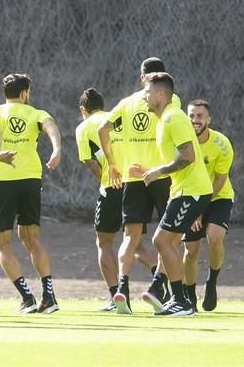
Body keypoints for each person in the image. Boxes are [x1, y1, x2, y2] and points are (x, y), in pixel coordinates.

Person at [98, 57, 178, 314]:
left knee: (130, 237)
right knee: (170, 237)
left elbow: (103, 129)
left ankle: (122, 289)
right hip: (161, 175)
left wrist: (112, 163)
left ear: (142, 76)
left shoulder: (127, 102)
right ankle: (158, 286)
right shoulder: (168, 100)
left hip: (132, 177)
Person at [0, 73, 61, 314]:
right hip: (30, 180)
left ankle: (27, 297)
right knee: (32, 239)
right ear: (25, 93)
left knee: (1, 242)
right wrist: (56, 150)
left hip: (4, 181)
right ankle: (49, 296)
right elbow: (51, 127)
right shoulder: (35, 112)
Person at [135, 72, 212, 316]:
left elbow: (187, 157)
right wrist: (151, 170)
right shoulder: (164, 120)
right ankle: (179, 298)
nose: (143, 97)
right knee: (166, 241)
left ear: (160, 94)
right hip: (183, 190)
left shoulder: (173, 118)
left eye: (146, 92)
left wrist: (159, 171)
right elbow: (177, 160)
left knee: (161, 240)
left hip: (193, 191)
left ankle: (182, 301)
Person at [75, 88, 157, 311]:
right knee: (135, 242)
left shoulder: (84, 127)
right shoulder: (117, 116)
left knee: (104, 242)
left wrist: (105, 179)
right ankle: (161, 279)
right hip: (136, 183)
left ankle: (116, 296)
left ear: (83, 110)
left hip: (112, 185)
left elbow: (90, 162)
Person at [182, 99, 235, 312]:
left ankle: (212, 282)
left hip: (217, 196)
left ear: (208, 119)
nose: (195, 120)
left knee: (214, 238)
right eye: (192, 115)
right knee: (191, 251)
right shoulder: (181, 143)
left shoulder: (221, 144)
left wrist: (201, 211)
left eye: (200, 116)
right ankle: (189, 295)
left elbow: (220, 179)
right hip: (190, 196)